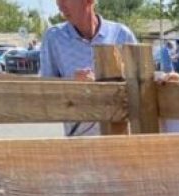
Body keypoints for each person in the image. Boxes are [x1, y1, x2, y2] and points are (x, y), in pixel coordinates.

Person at [39, 0, 137, 137]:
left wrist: (164, 78)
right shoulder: (54, 38)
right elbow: (44, 88)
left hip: (120, 138)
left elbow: (139, 80)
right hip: (79, 142)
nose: (59, 5)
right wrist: (72, 83)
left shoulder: (121, 34)